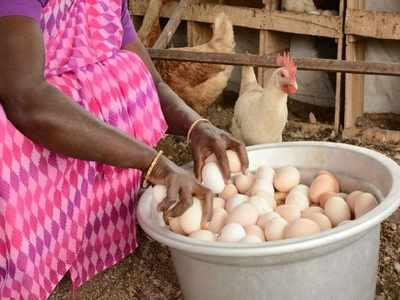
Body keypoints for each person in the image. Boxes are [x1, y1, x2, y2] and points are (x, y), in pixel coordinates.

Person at [0, 0, 248, 298]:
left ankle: (87, 229)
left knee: (129, 71)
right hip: (26, 116)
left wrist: (196, 126)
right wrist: (153, 163)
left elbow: (151, 78)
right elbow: (25, 98)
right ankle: (30, 250)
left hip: (65, 123)